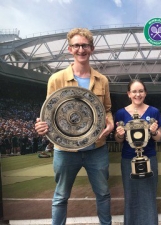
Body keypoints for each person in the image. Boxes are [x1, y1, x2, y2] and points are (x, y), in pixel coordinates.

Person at [35, 28, 114, 225]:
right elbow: (48, 112)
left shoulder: (102, 80)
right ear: (70, 49)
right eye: (77, 45)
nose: (81, 49)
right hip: (65, 149)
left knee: (103, 194)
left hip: (96, 148)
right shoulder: (56, 79)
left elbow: (107, 109)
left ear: (92, 49)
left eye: (85, 45)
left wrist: (110, 122)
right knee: (61, 197)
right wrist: (41, 125)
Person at [114, 79, 161, 225]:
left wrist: (154, 132)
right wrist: (120, 134)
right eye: (134, 91)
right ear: (128, 94)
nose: (138, 94)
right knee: (131, 196)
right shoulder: (121, 113)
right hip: (128, 159)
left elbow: (159, 138)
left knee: (149, 195)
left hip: (149, 159)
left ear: (145, 93)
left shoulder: (153, 111)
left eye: (141, 91)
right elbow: (118, 140)